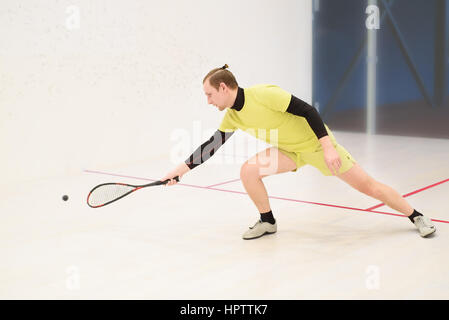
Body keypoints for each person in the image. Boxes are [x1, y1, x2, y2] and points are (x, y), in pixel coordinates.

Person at [161, 64, 436, 239]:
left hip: (317, 146)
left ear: (223, 87)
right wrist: (179, 171)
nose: (208, 101)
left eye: (209, 94)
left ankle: (416, 216)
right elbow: (211, 146)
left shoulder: (264, 94)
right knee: (248, 171)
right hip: (289, 151)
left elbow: (308, 111)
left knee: (368, 187)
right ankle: (267, 221)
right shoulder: (233, 116)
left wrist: (327, 147)